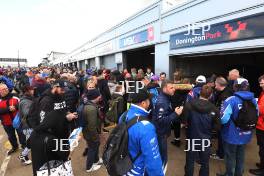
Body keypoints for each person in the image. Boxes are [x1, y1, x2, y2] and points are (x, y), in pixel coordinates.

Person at [29, 79, 78, 175]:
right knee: (58, 159)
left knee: (63, 159)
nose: (64, 92)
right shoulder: (46, 101)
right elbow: (44, 123)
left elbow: (63, 110)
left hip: (62, 133)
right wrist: (65, 118)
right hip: (53, 138)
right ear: (55, 87)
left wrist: (68, 114)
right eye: (62, 89)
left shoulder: (60, 95)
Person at [217, 78, 258, 176]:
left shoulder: (231, 100)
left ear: (235, 87)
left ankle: (229, 174)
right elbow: (257, 115)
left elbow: (223, 119)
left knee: (230, 156)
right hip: (246, 133)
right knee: (241, 155)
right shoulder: (254, 100)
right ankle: (239, 174)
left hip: (231, 134)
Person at [119, 89, 164, 176]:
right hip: (137, 170)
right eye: (149, 100)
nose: (150, 102)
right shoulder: (146, 127)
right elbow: (153, 160)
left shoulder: (124, 115)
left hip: (124, 166)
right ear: (144, 103)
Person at [183, 85, 220, 176]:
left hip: (191, 138)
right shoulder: (214, 109)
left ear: (199, 93)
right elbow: (217, 127)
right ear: (211, 95)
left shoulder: (189, 104)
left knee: (189, 161)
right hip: (205, 139)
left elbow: (184, 120)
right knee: (205, 163)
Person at [152, 80, 183, 173]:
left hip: (161, 131)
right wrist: (176, 114)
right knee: (163, 157)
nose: (174, 89)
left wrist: (172, 111)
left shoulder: (165, 97)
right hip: (160, 132)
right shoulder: (162, 101)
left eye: (174, 87)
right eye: (171, 88)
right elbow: (160, 120)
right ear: (165, 88)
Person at [0, 83, 26, 155]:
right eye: (3, 89)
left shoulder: (15, 97)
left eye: (6, 88)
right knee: (11, 136)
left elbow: (22, 105)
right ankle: (15, 147)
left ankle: (24, 145)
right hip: (6, 122)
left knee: (21, 134)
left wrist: (15, 106)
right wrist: (8, 109)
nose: (6, 90)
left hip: (17, 121)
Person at [211, 77, 233, 160]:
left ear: (219, 85)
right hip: (228, 120)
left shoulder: (224, 96)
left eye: (216, 84)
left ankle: (221, 154)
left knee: (221, 137)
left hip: (224, 121)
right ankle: (222, 153)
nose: (215, 86)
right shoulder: (227, 91)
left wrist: (216, 118)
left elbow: (222, 111)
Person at [82, 89, 103, 172]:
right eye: (99, 95)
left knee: (95, 146)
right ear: (96, 97)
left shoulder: (89, 104)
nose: (100, 96)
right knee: (92, 148)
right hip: (91, 133)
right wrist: (95, 137)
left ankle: (96, 160)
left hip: (88, 132)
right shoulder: (91, 109)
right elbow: (92, 126)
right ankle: (89, 167)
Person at [249, 75, 264, 175]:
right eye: (260, 83)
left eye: (262, 83)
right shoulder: (263, 93)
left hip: (263, 126)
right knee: (261, 147)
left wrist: (254, 105)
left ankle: (262, 170)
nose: (260, 85)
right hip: (260, 125)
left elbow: (261, 110)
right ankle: (262, 164)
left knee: (263, 148)